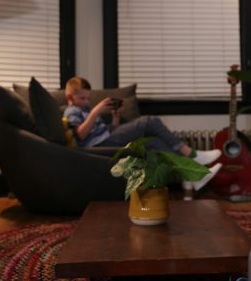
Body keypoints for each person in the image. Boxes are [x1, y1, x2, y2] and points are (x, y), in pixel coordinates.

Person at [63, 76, 222, 193]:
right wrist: (96, 111)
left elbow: (108, 130)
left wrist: (115, 117)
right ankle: (192, 155)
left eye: (88, 98)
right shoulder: (72, 111)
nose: (87, 101)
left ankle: (194, 176)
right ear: (70, 97)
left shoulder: (84, 109)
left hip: (109, 137)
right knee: (148, 121)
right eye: (82, 98)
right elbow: (81, 135)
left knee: (155, 142)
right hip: (97, 146)